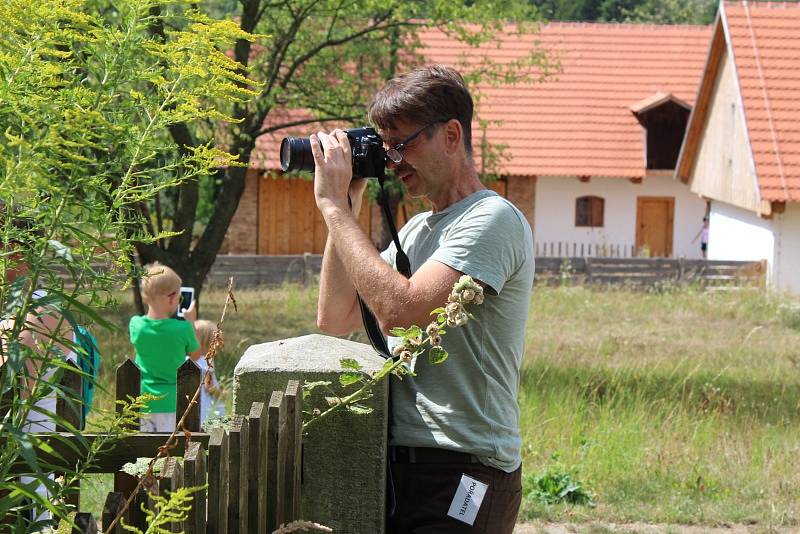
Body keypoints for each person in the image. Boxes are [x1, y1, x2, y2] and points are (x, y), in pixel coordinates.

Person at [312, 65, 535, 533]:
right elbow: (335, 316)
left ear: (451, 134)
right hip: (403, 467)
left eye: (402, 143)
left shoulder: (492, 219)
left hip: (467, 467)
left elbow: (401, 312)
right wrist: (347, 200)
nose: (393, 161)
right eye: (384, 147)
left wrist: (332, 207)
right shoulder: (416, 229)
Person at [129, 262, 200, 432]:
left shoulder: (136, 325)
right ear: (172, 298)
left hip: (143, 400)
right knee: (169, 451)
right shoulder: (182, 329)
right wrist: (192, 322)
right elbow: (196, 355)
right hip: (173, 402)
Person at [192, 319, 226, 425]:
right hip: (206, 406)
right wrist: (221, 394)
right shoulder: (207, 361)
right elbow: (209, 386)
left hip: (194, 404)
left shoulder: (191, 360)